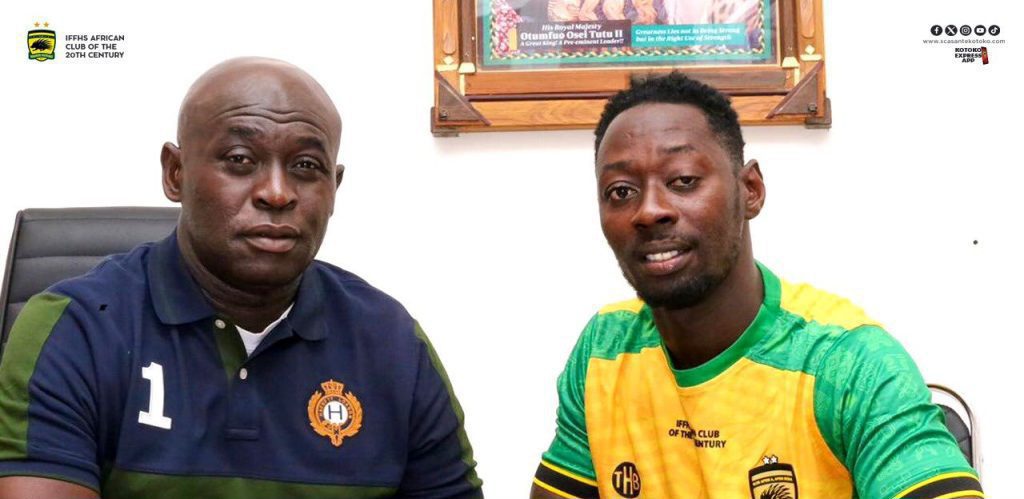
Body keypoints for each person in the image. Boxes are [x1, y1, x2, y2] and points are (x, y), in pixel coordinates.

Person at [0, 57, 482, 498]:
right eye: (240, 160)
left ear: (333, 189)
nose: (277, 193)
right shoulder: (77, 330)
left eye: (306, 166)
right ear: (175, 173)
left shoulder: (391, 344)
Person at [530, 73, 982, 498]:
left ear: (750, 190)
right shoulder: (605, 351)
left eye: (683, 180)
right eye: (621, 191)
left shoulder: (847, 362)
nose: (649, 211)